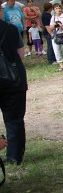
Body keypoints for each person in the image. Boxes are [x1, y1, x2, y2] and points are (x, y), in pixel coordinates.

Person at [0, 17, 27, 166]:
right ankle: (14, 156)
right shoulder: (11, 29)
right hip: (13, 81)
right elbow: (21, 55)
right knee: (14, 120)